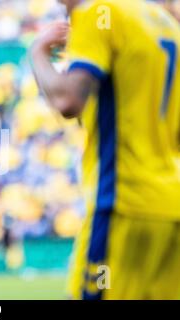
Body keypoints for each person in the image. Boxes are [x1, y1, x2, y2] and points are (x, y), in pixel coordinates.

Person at [31, 0, 180, 299]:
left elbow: (67, 101)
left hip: (123, 206)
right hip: (171, 205)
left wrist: (37, 54)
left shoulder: (99, 13)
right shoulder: (166, 23)